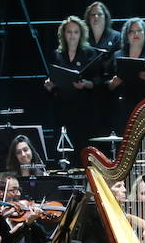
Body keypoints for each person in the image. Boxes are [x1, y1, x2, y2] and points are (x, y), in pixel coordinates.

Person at [42, 15, 103, 151]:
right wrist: (49, 85)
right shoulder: (56, 54)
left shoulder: (89, 53)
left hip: (84, 110)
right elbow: (51, 77)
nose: (72, 35)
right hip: (62, 109)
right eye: (69, 32)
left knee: (83, 146)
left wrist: (87, 84)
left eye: (75, 32)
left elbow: (98, 80)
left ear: (81, 34)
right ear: (63, 34)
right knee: (63, 148)